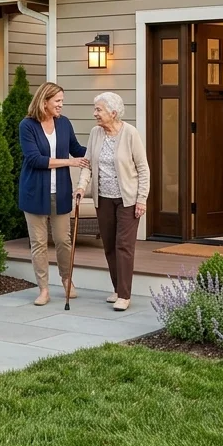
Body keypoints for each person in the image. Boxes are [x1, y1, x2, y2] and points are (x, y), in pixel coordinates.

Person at [75, 91, 150, 311]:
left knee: (123, 246)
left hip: (128, 200)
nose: (95, 113)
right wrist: (81, 186)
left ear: (113, 112)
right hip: (103, 199)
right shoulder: (95, 133)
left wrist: (142, 199)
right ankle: (118, 288)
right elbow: (88, 164)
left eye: (99, 109)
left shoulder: (130, 133)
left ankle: (124, 295)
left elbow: (143, 169)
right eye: (95, 109)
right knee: (109, 246)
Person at [18, 82, 88, 306]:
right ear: (44, 101)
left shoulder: (64, 123)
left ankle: (67, 280)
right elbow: (35, 159)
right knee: (39, 243)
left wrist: (100, 150)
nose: (60, 105)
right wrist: (70, 162)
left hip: (61, 192)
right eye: (57, 101)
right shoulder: (27, 126)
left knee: (63, 241)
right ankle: (44, 289)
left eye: (62, 101)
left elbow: (77, 149)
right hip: (34, 193)